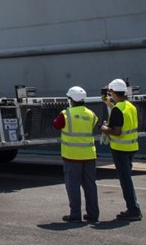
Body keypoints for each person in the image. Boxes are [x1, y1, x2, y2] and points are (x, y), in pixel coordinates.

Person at [52, 86, 99, 223]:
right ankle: (93, 215)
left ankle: (75, 214)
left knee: (73, 186)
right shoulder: (92, 114)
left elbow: (56, 125)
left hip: (72, 156)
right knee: (90, 185)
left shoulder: (65, 114)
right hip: (89, 155)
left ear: (70, 99)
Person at [101, 78, 142, 221]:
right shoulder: (130, 106)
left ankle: (133, 209)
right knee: (127, 178)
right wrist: (109, 104)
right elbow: (121, 116)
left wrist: (105, 128)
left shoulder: (118, 110)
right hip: (131, 147)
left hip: (120, 149)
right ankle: (133, 208)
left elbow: (117, 131)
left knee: (125, 180)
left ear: (112, 92)